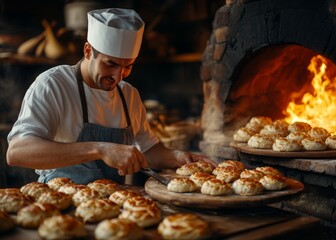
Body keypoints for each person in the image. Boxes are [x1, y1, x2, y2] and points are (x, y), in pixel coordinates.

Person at [6, 8, 214, 185]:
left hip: (113, 211)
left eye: (128, 66)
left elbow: (148, 150)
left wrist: (176, 156)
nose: (117, 76)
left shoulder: (129, 94)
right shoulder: (54, 84)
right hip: (60, 209)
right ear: (88, 51)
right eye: (110, 64)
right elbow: (17, 152)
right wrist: (100, 149)